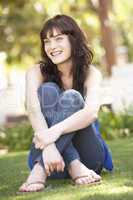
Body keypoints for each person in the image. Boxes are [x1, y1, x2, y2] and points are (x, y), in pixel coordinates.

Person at [19, 14, 112, 193]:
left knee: (72, 98)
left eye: (58, 39)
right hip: (50, 160)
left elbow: (91, 113)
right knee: (47, 90)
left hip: (89, 159)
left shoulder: (91, 73)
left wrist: (51, 134)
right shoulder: (36, 72)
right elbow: (32, 108)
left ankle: (41, 170)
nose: (52, 47)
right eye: (47, 41)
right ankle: (72, 164)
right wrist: (49, 145)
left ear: (74, 40)